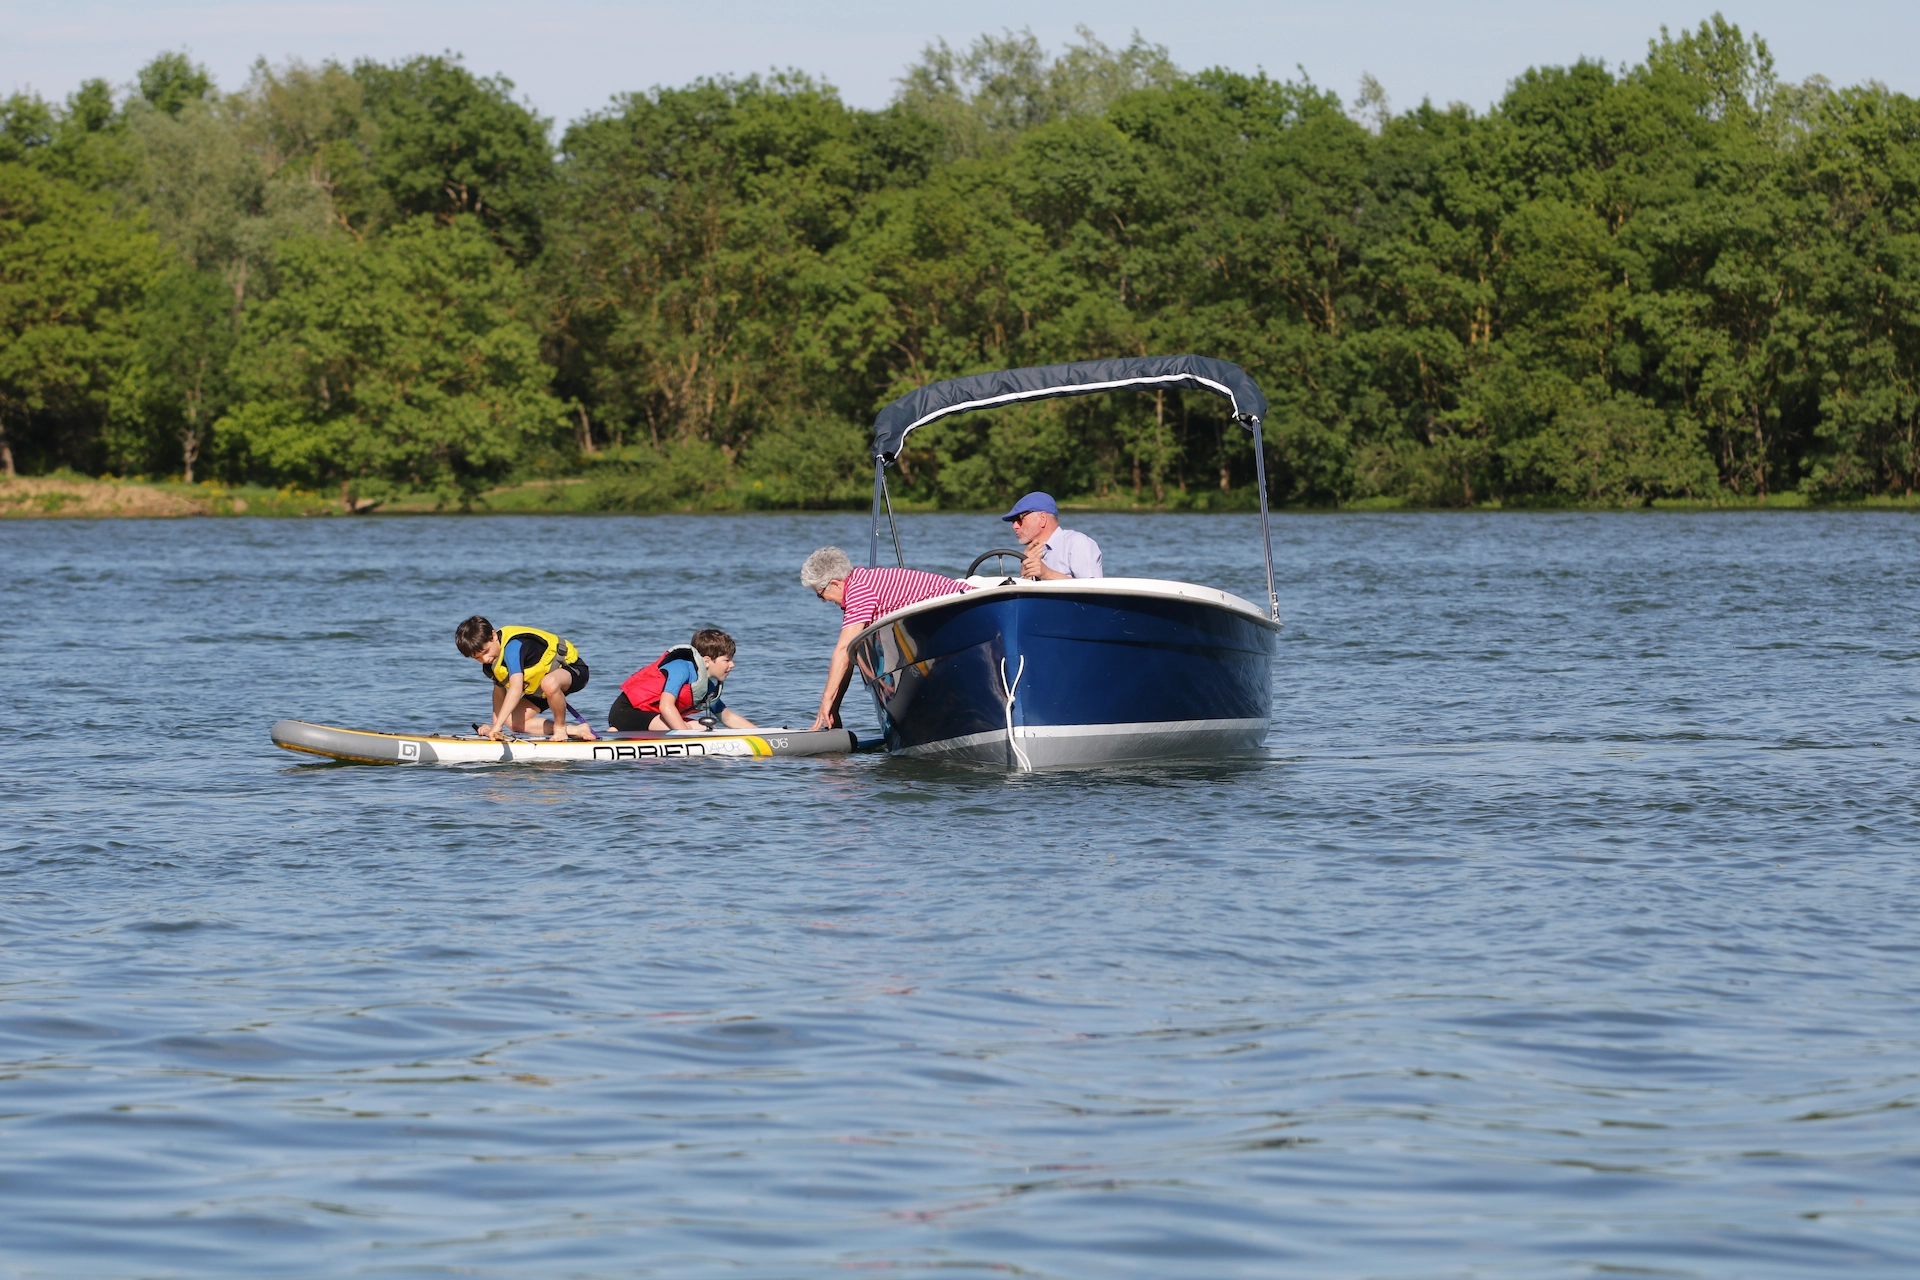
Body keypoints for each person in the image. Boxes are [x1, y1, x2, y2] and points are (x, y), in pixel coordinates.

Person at [800, 546, 970, 730]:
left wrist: (826, 700)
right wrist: (833, 708)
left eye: (821, 595)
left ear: (835, 584)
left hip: (962, 610)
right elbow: (848, 656)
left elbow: (842, 651)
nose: (825, 601)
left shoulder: (859, 591)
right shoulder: (862, 582)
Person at [454, 616, 596, 743]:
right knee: (513, 722)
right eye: (477, 658)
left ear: (493, 635)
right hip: (542, 688)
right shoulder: (491, 665)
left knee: (549, 683)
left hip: (573, 671)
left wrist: (496, 726)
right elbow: (499, 694)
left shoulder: (513, 647)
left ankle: (560, 727)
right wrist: (497, 728)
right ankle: (576, 730)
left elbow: (516, 688)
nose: (485, 659)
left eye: (486, 652)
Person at [608, 628, 759, 733]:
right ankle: (619, 731)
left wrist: (764, 735)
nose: (732, 665)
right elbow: (666, 706)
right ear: (707, 661)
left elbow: (728, 717)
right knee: (688, 728)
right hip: (626, 712)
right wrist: (686, 735)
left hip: (652, 716)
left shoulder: (707, 688)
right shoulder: (680, 667)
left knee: (704, 729)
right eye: (727, 660)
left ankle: (620, 733)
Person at [1002, 491, 1102, 580]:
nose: (1014, 526)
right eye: (1013, 521)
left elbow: (1094, 590)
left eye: (1019, 519)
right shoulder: (1030, 554)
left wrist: (1047, 573)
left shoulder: (1077, 543)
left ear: (1042, 518)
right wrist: (1025, 575)